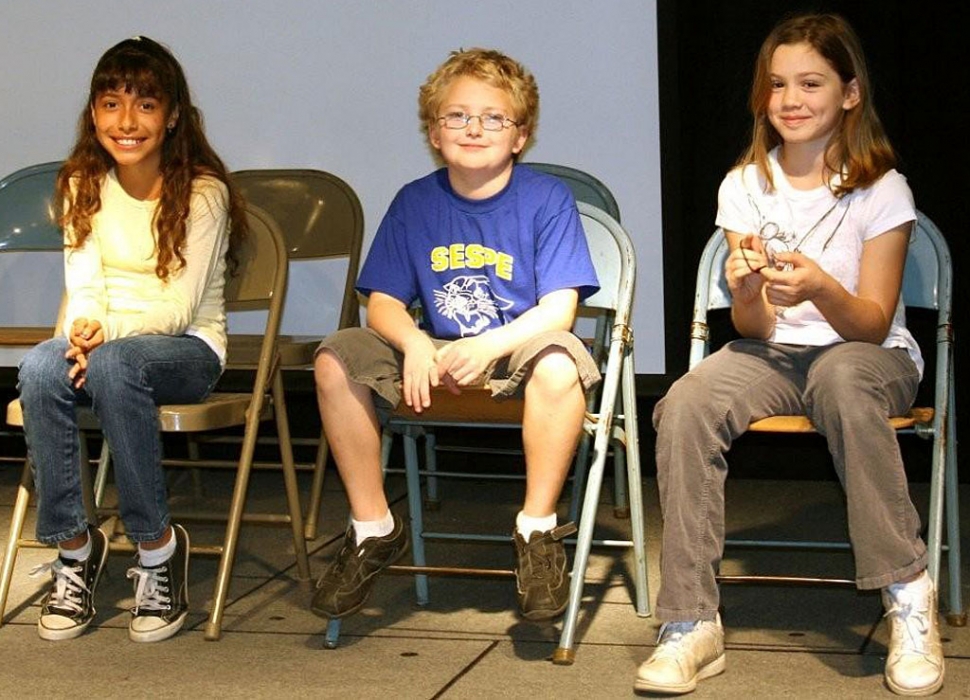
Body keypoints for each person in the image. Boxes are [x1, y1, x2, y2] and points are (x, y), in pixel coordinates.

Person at [635, 14, 944, 697]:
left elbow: (869, 324)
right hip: (773, 353)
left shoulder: (881, 186)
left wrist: (823, 287)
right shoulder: (744, 182)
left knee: (840, 378)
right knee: (685, 401)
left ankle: (907, 592)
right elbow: (756, 326)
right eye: (777, 85)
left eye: (811, 82)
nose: (791, 99)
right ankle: (690, 621)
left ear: (850, 93)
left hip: (868, 355)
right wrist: (747, 290)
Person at [309, 48, 600, 623]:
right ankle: (373, 529)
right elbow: (385, 304)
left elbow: (560, 309)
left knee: (562, 362)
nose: (474, 128)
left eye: (494, 118)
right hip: (436, 351)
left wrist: (490, 345)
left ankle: (537, 532)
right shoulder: (415, 201)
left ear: (520, 136)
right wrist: (416, 342)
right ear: (434, 133)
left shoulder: (546, 200)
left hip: (515, 348)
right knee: (336, 358)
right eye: (457, 116)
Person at [17, 36, 246, 643]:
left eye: (145, 105)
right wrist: (82, 328)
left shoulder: (202, 192)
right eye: (111, 103)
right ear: (92, 114)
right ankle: (74, 548)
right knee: (40, 368)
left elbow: (176, 310)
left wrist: (103, 335)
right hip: (100, 343)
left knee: (117, 366)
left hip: (187, 349)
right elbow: (84, 285)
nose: (126, 121)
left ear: (172, 116)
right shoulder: (79, 183)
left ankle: (156, 548)